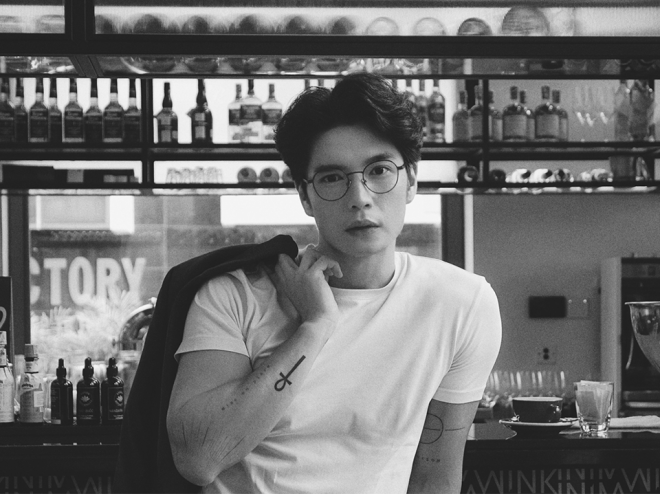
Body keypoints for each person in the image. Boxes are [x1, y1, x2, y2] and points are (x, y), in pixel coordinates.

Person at [167, 72, 502, 493]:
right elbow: (198, 459)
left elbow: (435, 476)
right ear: (305, 196)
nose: (359, 197)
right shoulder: (233, 295)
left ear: (412, 180)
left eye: (379, 170)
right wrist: (316, 326)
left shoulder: (462, 303)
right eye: (331, 178)